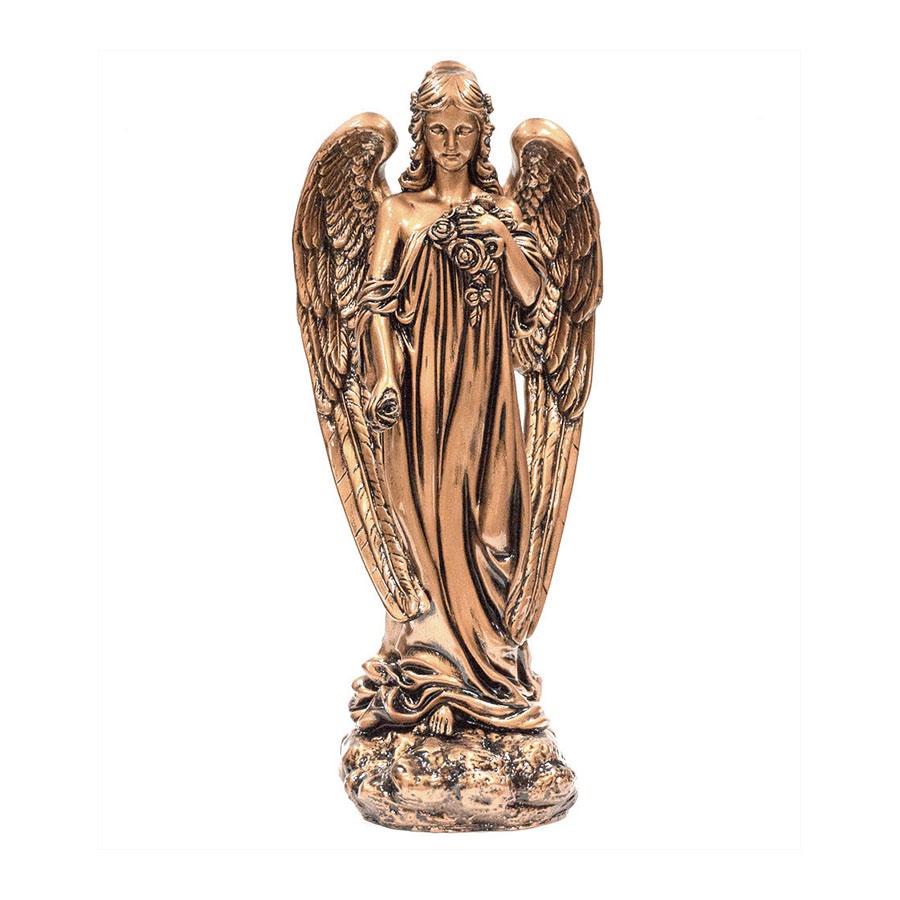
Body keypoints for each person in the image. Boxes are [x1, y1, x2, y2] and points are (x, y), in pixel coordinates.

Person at [350, 62, 548, 736]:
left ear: (482, 134)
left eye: (465, 130)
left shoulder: (505, 211)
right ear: (421, 134)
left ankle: (491, 675)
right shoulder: (397, 212)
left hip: (489, 396)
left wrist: (499, 238)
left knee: (494, 532)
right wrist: (382, 375)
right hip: (420, 401)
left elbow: (534, 297)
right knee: (424, 531)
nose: (453, 143)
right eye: (439, 130)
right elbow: (374, 306)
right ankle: (432, 676)